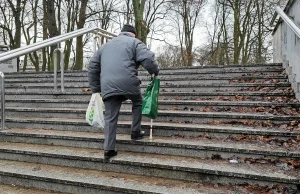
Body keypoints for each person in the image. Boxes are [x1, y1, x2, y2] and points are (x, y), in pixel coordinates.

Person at [88, 24, 159, 160]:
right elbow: (149, 59)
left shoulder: (105, 46)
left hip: (108, 86)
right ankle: (135, 131)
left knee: (110, 117)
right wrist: (154, 72)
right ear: (133, 34)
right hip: (129, 83)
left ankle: (108, 149)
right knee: (138, 101)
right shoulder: (135, 42)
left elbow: (92, 67)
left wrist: (96, 89)